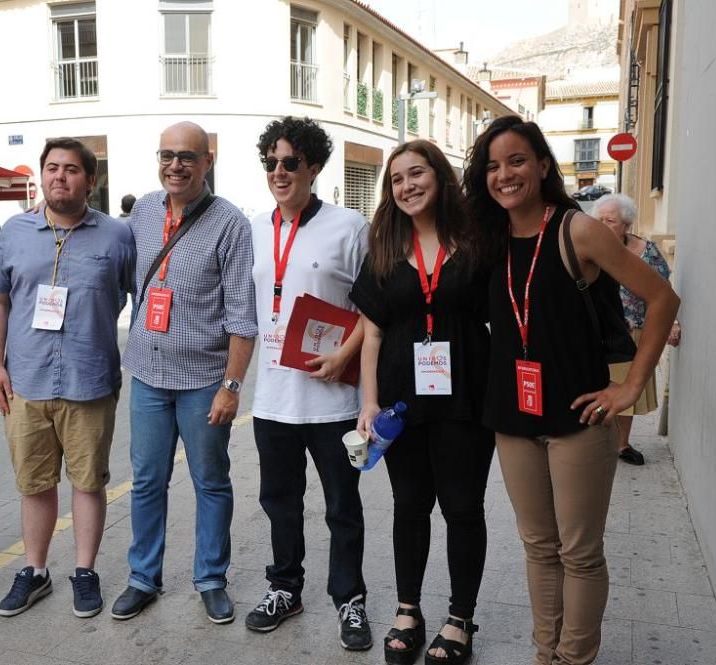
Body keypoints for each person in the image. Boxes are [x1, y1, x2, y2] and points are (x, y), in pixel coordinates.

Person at [464, 116, 679, 665]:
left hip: (580, 417)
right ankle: (546, 654)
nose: (504, 174)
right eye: (491, 165)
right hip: (512, 417)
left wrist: (629, 387)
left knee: (580, 552)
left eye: (516, 160)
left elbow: (662, 300)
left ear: (541, 165)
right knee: (539, 548)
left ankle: (574, 658)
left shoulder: (576, 229)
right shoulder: (485, 239)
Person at [351, 140, 495, 665]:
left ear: (439, 177)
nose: (407, 186)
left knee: (462, 508)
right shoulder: (385, 248)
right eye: (396, 179)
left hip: (466, 402)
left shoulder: (476, 243)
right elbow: (371, 336)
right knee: (409, 507)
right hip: (402, 407)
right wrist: (369, 405)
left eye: (417, 174)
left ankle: (460, 618)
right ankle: (408, 610)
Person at [110, 121, 257, 624]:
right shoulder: (145, 210)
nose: (176, 165)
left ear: (207, 162)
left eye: (187, 157)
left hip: (203, 383)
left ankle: (211, 578)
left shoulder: (231, 223)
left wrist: (231, 388)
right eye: (167, 155)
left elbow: (242, 314)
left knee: (210, 481)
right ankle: (142, 578)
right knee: (147, 481)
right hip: (148, 375)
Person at [0, 138, 134, 619]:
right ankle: (35, 571)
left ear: (90, 180)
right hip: (25, 382)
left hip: (89, 381)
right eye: (52, 168)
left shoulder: (116, 236)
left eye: (71, 169)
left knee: (88, 482)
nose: (59, 177)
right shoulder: (13, 232)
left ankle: (85, 571)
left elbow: (138, 292)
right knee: (34, 483)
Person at [243, 116, 372, 650]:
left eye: (290, 162)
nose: (279, 171)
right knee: (280, 502)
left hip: (334, 401)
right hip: (272, 400)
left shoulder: (349, 227)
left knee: (342, 507)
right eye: (271, 162)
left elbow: (375, 310)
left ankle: (350, 600)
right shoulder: (251, 227)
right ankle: (285, 588)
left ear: (313, 168)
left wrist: (344, 353)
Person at [595, 193, 679, 466]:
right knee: (595, 385)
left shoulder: (647, 252)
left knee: (626, 389)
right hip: (598, 331)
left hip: (633, 332)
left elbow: (663, 292)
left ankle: (621, 445)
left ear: (627, 225)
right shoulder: (590, 248)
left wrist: (672, 324)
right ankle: (595, 442)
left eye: (611, 220)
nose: (604, 225)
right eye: (600, 220)